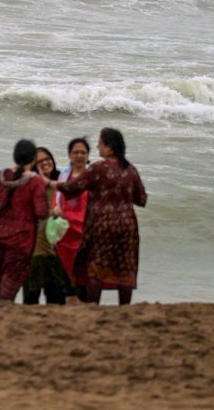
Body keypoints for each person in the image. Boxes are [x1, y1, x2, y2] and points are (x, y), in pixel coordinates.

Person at [56, 128, 147, 305]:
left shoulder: (98, 168)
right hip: (127, 226)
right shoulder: (131, 170)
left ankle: (93, 307)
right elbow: (142, 199)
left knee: (96, 267)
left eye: (101, 143)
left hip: (101, 225)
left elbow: (73, 188)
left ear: (110, 147)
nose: (98, 147)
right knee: (125, 269)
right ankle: (124, 308)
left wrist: (52, 184)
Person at [0, 140, 49, 302]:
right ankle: (2, 312)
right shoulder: (35, 181)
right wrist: (54, 210)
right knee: (10, 281)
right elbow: (41, 212)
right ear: (33, 159)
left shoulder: (1, 175)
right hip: (20, 239)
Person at [21, 147, 72, 305]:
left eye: (47, 158)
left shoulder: (61, 183)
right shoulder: (29, 185)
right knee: (31, 298)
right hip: (34, 250)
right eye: (39, 161)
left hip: (56, 250)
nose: (44, 163)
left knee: (56, 299)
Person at [55, 137, 91, 301]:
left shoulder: (93, 175)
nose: (79, 155)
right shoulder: (63, 175)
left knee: (84, 276)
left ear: (88, 155)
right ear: (69, 155)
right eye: (75, 152)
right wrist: (55, 208)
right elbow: (56, 198)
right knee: (65, 274)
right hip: (64, 232)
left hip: (85, 232)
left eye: (83, 152)